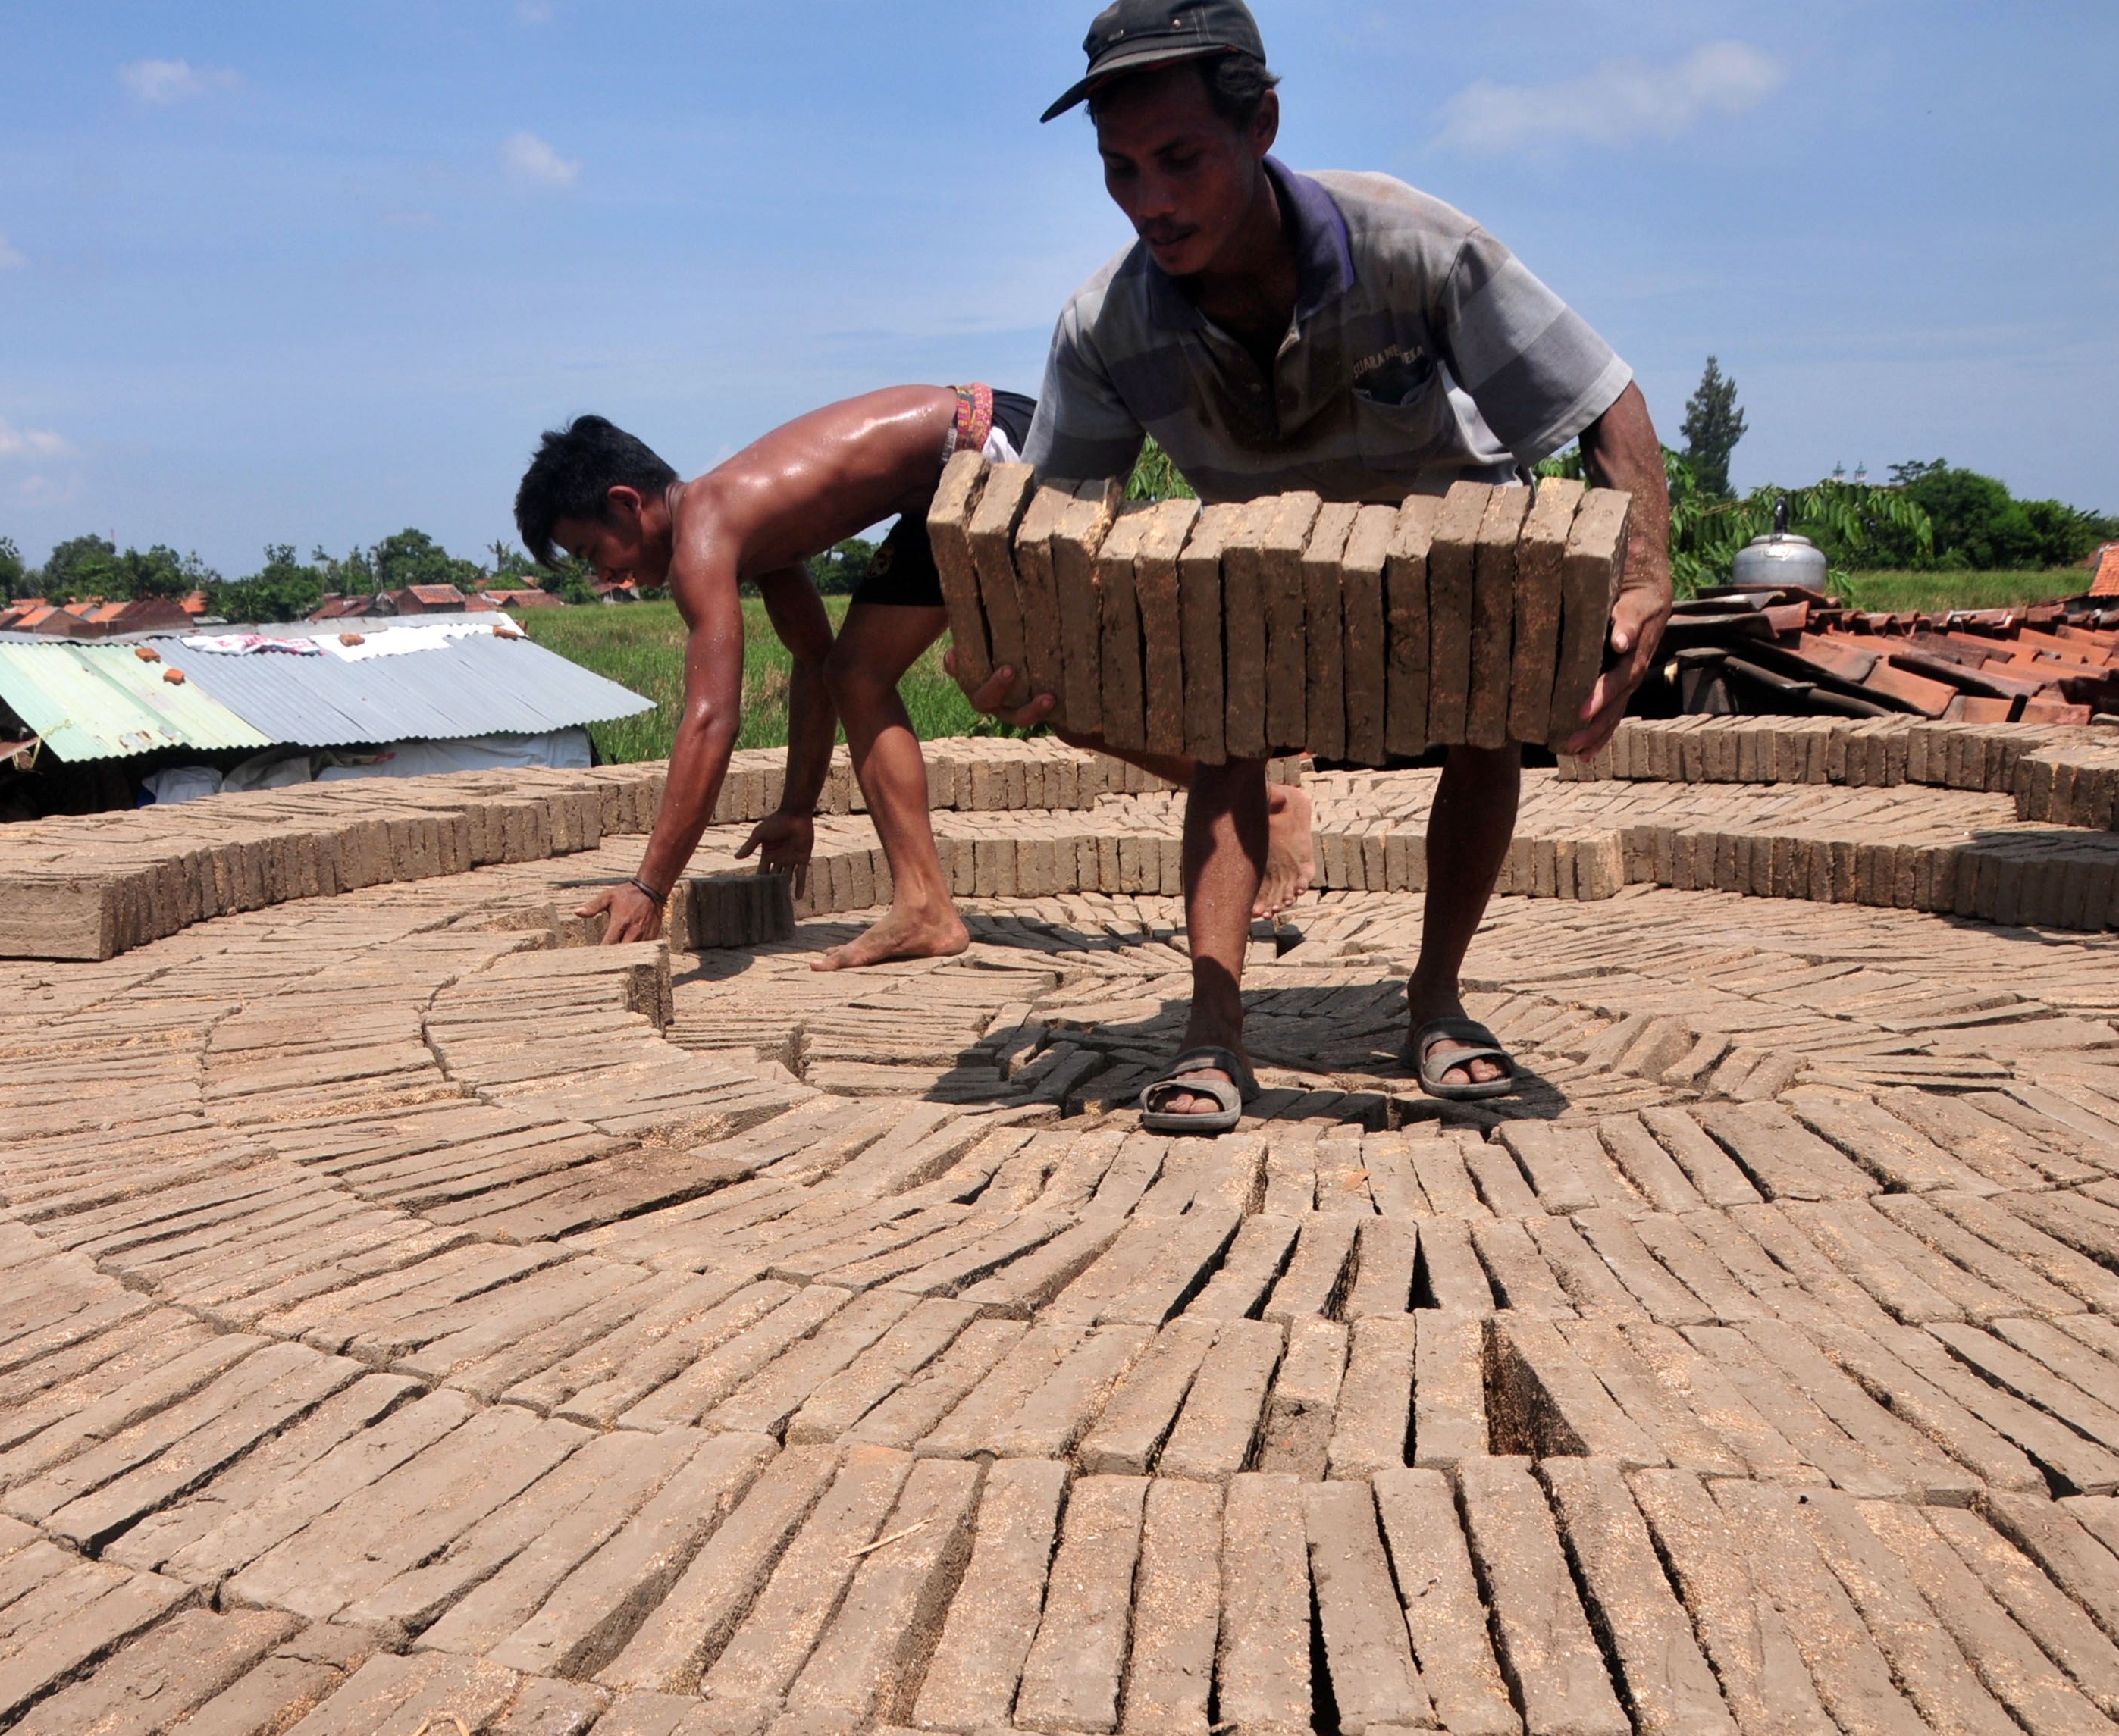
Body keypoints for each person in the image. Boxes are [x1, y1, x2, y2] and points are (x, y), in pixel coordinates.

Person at [963, 0, 1673, 1129]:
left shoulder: (1414, 243)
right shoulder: (1105, 324)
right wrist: (1033, 656)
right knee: (1224, 731)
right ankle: (1211, 1028)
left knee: (1483, 724)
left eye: (1182, 159)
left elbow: (1601, 399)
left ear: (1262, 126)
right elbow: (1060, 528)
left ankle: (1436, 1000)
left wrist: (1643, 580)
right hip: (1264, 563)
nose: (1151, 199)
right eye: (1121, 169)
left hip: (1448, 548)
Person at [515, 388, 1317, 969]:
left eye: (595, 553)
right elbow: (814, 665)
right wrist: (797, 808)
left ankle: (1261, 800)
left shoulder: (706, 534)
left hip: (995, 456)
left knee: (1050, 699)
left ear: (627, 503)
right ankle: (926, 904)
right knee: (859, 672)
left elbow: (710, 719)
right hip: (957, 475)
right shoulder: (746, 525)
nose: (612, 578)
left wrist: (650, 886)